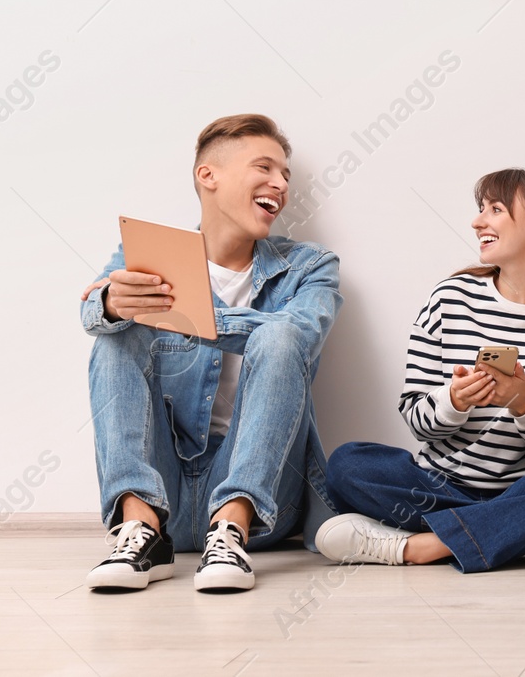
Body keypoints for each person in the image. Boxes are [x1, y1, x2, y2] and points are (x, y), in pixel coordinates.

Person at [317, 169, 525, 572]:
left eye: (495, 209)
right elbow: (415, 417)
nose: (478, 221)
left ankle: (420, 547)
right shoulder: (450, 298)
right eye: (480, 210)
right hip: (440, 486)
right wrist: (453, 401)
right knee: (346, 464)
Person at [82, 114, 340, 592]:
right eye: (264, 168)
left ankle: (230, 531)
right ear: (208, 175)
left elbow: (299, 335)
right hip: (168, 497)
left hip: (265, 507)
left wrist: (189, 315)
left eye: (285, 175)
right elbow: (91, 316)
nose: (279, 184)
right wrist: (112, 305)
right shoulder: (146, 254)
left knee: (281, 336)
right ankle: (141, 532)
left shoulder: (310, 266)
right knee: (116, 333)